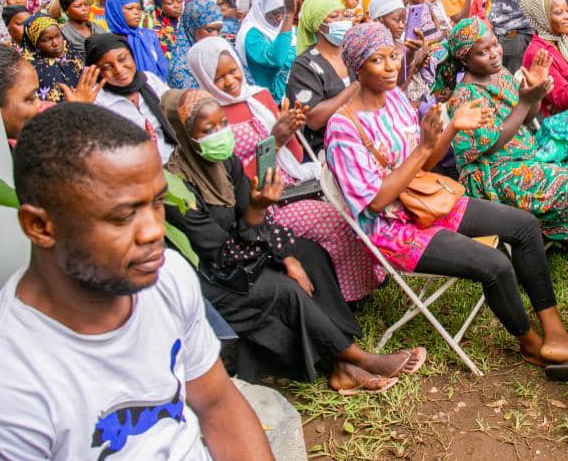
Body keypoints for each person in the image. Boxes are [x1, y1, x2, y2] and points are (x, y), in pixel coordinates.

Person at [0, 103, 274, 460]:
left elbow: (218, 406)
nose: (155, 231)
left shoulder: (167, 278)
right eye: (124, 215)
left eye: (157, 203)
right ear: (40, 227)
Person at [325, 22, 568, 379]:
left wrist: (448, 131)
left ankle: (556, 334)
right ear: (356, 67)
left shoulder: (396, 100)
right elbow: (377, 202)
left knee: (523, 226)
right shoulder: (343, 127)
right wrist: (427, 144)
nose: (389, 66)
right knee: (494, 263)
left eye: (392, 56)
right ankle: (530, 344)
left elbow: (427, 163)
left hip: (427, 200)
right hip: (393, 229)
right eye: (376, 60)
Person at [161, 89, 418, 390]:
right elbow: (220, 253)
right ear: (183, 133)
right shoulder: (176, 188)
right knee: (285, 289)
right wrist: (258, 217)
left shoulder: (224, 163)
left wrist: (287, 257)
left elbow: (253, 210)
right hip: (217, 278)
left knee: (311, 256)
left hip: (247, 246)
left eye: (222, 123)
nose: (220, 133)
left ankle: (341, 363)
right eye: (208, 129)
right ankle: (357, 358)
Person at [188, 36, 384, 302]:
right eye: (219, 77)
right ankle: (352, 295)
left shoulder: (258, 96)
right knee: (337, 221)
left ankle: (369, 276)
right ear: (203, 77)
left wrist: (289, 131)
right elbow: (232, 182)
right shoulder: (211, 120)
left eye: (233, 71)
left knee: (354, 201)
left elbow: (295, 154)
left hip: (295, 181)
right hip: (265, 201)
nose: (230, 81)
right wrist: (275, 141)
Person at [434, 17, 568, 243]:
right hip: (493, 171)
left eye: (495, 44)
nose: (494, 53)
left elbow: (525, 119)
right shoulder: (466, 97)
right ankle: (547, 230)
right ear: (465, 59)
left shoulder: (501, 74)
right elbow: (492, 144)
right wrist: (524, 102)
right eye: (482, 52)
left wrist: (533, 94)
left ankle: (553, 227)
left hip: (525, 149)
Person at [87, 33, 178, 163]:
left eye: (122, 59)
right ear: (97, 71)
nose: (118, 69)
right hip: (134, 171)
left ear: (132, 55)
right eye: (106, 67)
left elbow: (176, 111)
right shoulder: (97, 100)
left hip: (173, 161)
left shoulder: (149, 80)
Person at [287, 0, 359, 153]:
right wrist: (357, 85)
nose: (343, 21)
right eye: (334, 16)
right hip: (331, 147)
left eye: (344, 14)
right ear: (318, 25)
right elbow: (313, 119)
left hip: (364, 136)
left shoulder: (352, 53)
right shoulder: (304, 66)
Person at [235, 0, 295, 101]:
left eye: (282, 12)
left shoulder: (282, 27)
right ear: (261, 8)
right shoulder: (250, 34)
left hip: (288, 95)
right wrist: (289, 15)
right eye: (274, 13)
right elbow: (275, 60)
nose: (280, 18)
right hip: (266, 99)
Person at [104, 0, 168, 79]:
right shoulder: (108, 42)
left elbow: (163, 66)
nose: (136, 13)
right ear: (116, 11)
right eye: (130, 8)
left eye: (138, 9)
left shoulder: (149, 35)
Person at [22, 12, 84, 103]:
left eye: (58, 36)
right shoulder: (33, 70)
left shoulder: (71, 54)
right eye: (47, 40)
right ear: (35, 44)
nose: (55, 43)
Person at [167, 0, 225, 89]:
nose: (215, 36)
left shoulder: (221, 52)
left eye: (219, 30)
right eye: (210, 30)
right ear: (192, 29)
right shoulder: (181, 68)